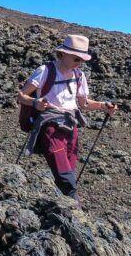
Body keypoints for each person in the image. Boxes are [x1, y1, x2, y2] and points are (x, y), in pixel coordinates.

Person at [17, 34, 118, 200]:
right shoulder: (45, 71)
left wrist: (103, 106)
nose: (79, 63)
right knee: (66, 177)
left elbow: (84, 104)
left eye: (82, 60)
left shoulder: (79, 76)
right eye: (76, 58)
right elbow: (21, 96)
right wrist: (35, 103)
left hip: (72, 127)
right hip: (50, 127)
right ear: (63, 54)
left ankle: (61, 207)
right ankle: (75, 211)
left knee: (69, 172)